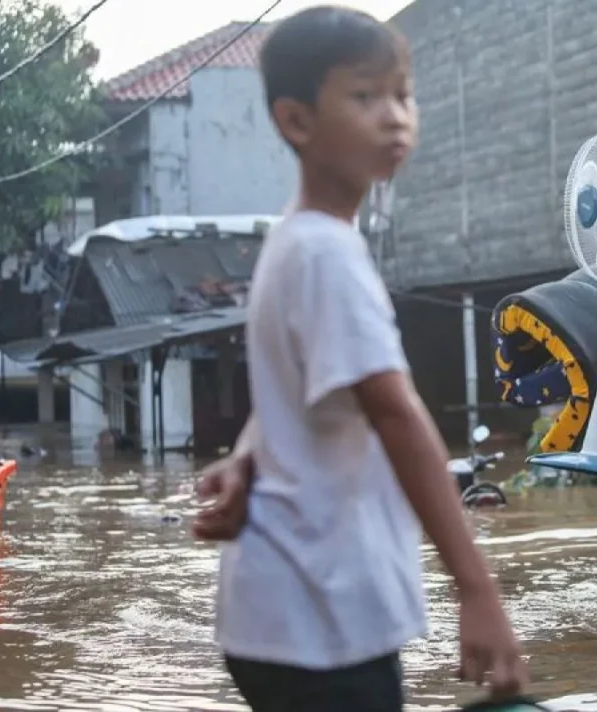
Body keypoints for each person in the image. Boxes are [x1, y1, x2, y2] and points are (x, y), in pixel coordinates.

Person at [191, 7, 527, 710]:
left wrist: (246, 455)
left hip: (286, 611)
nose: (394, 115)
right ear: (296, 121)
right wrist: (477, 589)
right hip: (322, 617)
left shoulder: (297, 240)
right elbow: (397, 416)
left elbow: (297, 394)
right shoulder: (326, 253)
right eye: (365, 96)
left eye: (403, 95)